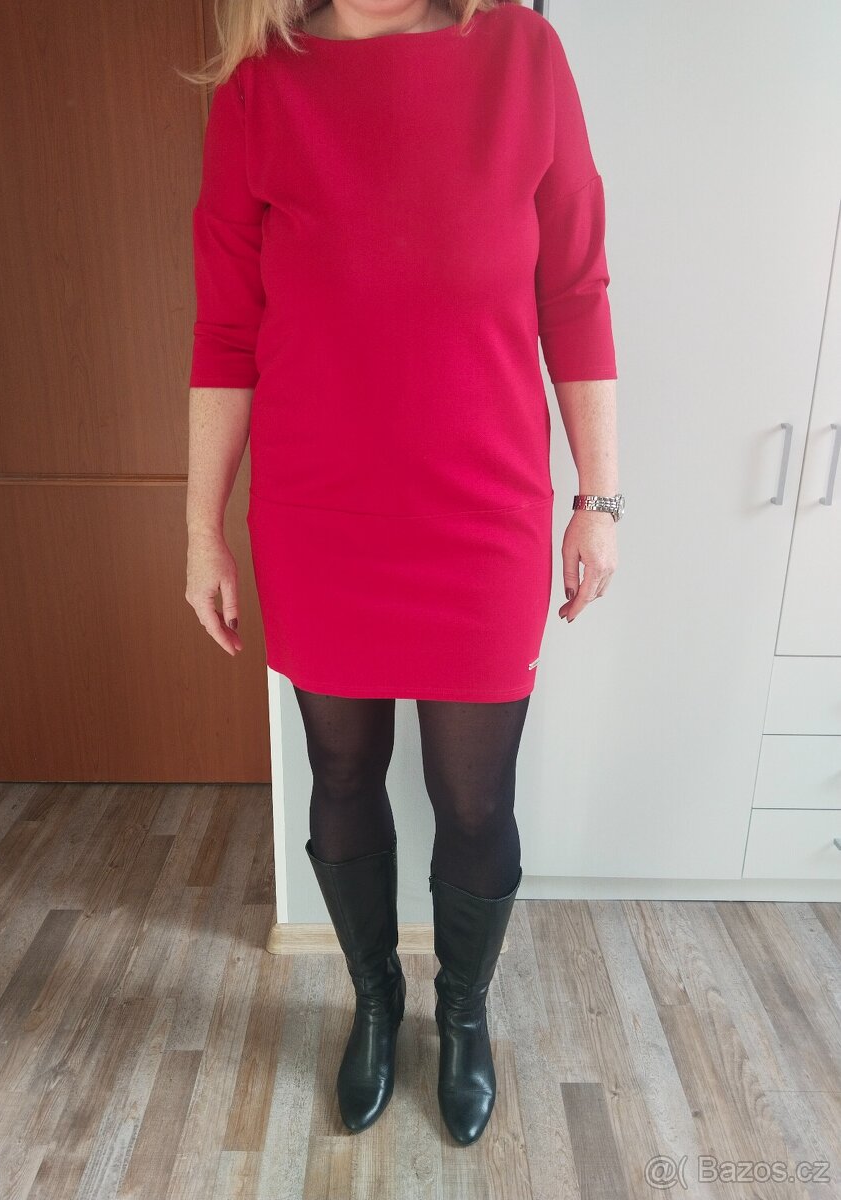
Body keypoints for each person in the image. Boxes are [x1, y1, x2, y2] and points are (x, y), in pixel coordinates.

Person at [185, 0, 622, 1147]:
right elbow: (226, 331)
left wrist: (600, 497)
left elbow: (575, 292)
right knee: (341, 770)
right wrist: (199, 527)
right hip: (319, 512)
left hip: (481, 511)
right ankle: (375, 1003)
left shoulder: (523, 57)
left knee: (475, 799)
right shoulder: (259, 87)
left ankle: (462, 1012)